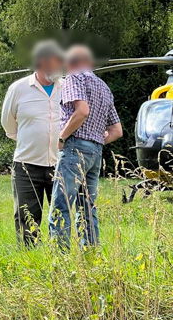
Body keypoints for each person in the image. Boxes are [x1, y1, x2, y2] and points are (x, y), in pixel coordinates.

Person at [49, 45, 122, 247]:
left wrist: (62, 138)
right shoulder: (104, 87)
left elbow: (82, 111)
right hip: (95, 153)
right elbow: (117, 130)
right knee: (87, 207)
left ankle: (59, 257)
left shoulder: (74, 78)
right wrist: (95, 141)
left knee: (61, 204)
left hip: (74, 148)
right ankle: (90, 253)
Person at [1, 40, 65, 245]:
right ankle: (29, 260)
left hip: (61, 163)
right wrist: (30, 141)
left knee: (61, 217)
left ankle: (61, 259)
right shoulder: (18, 89)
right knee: (27, 218)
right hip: (27, 165)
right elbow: (8, 126)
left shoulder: (68, 87)